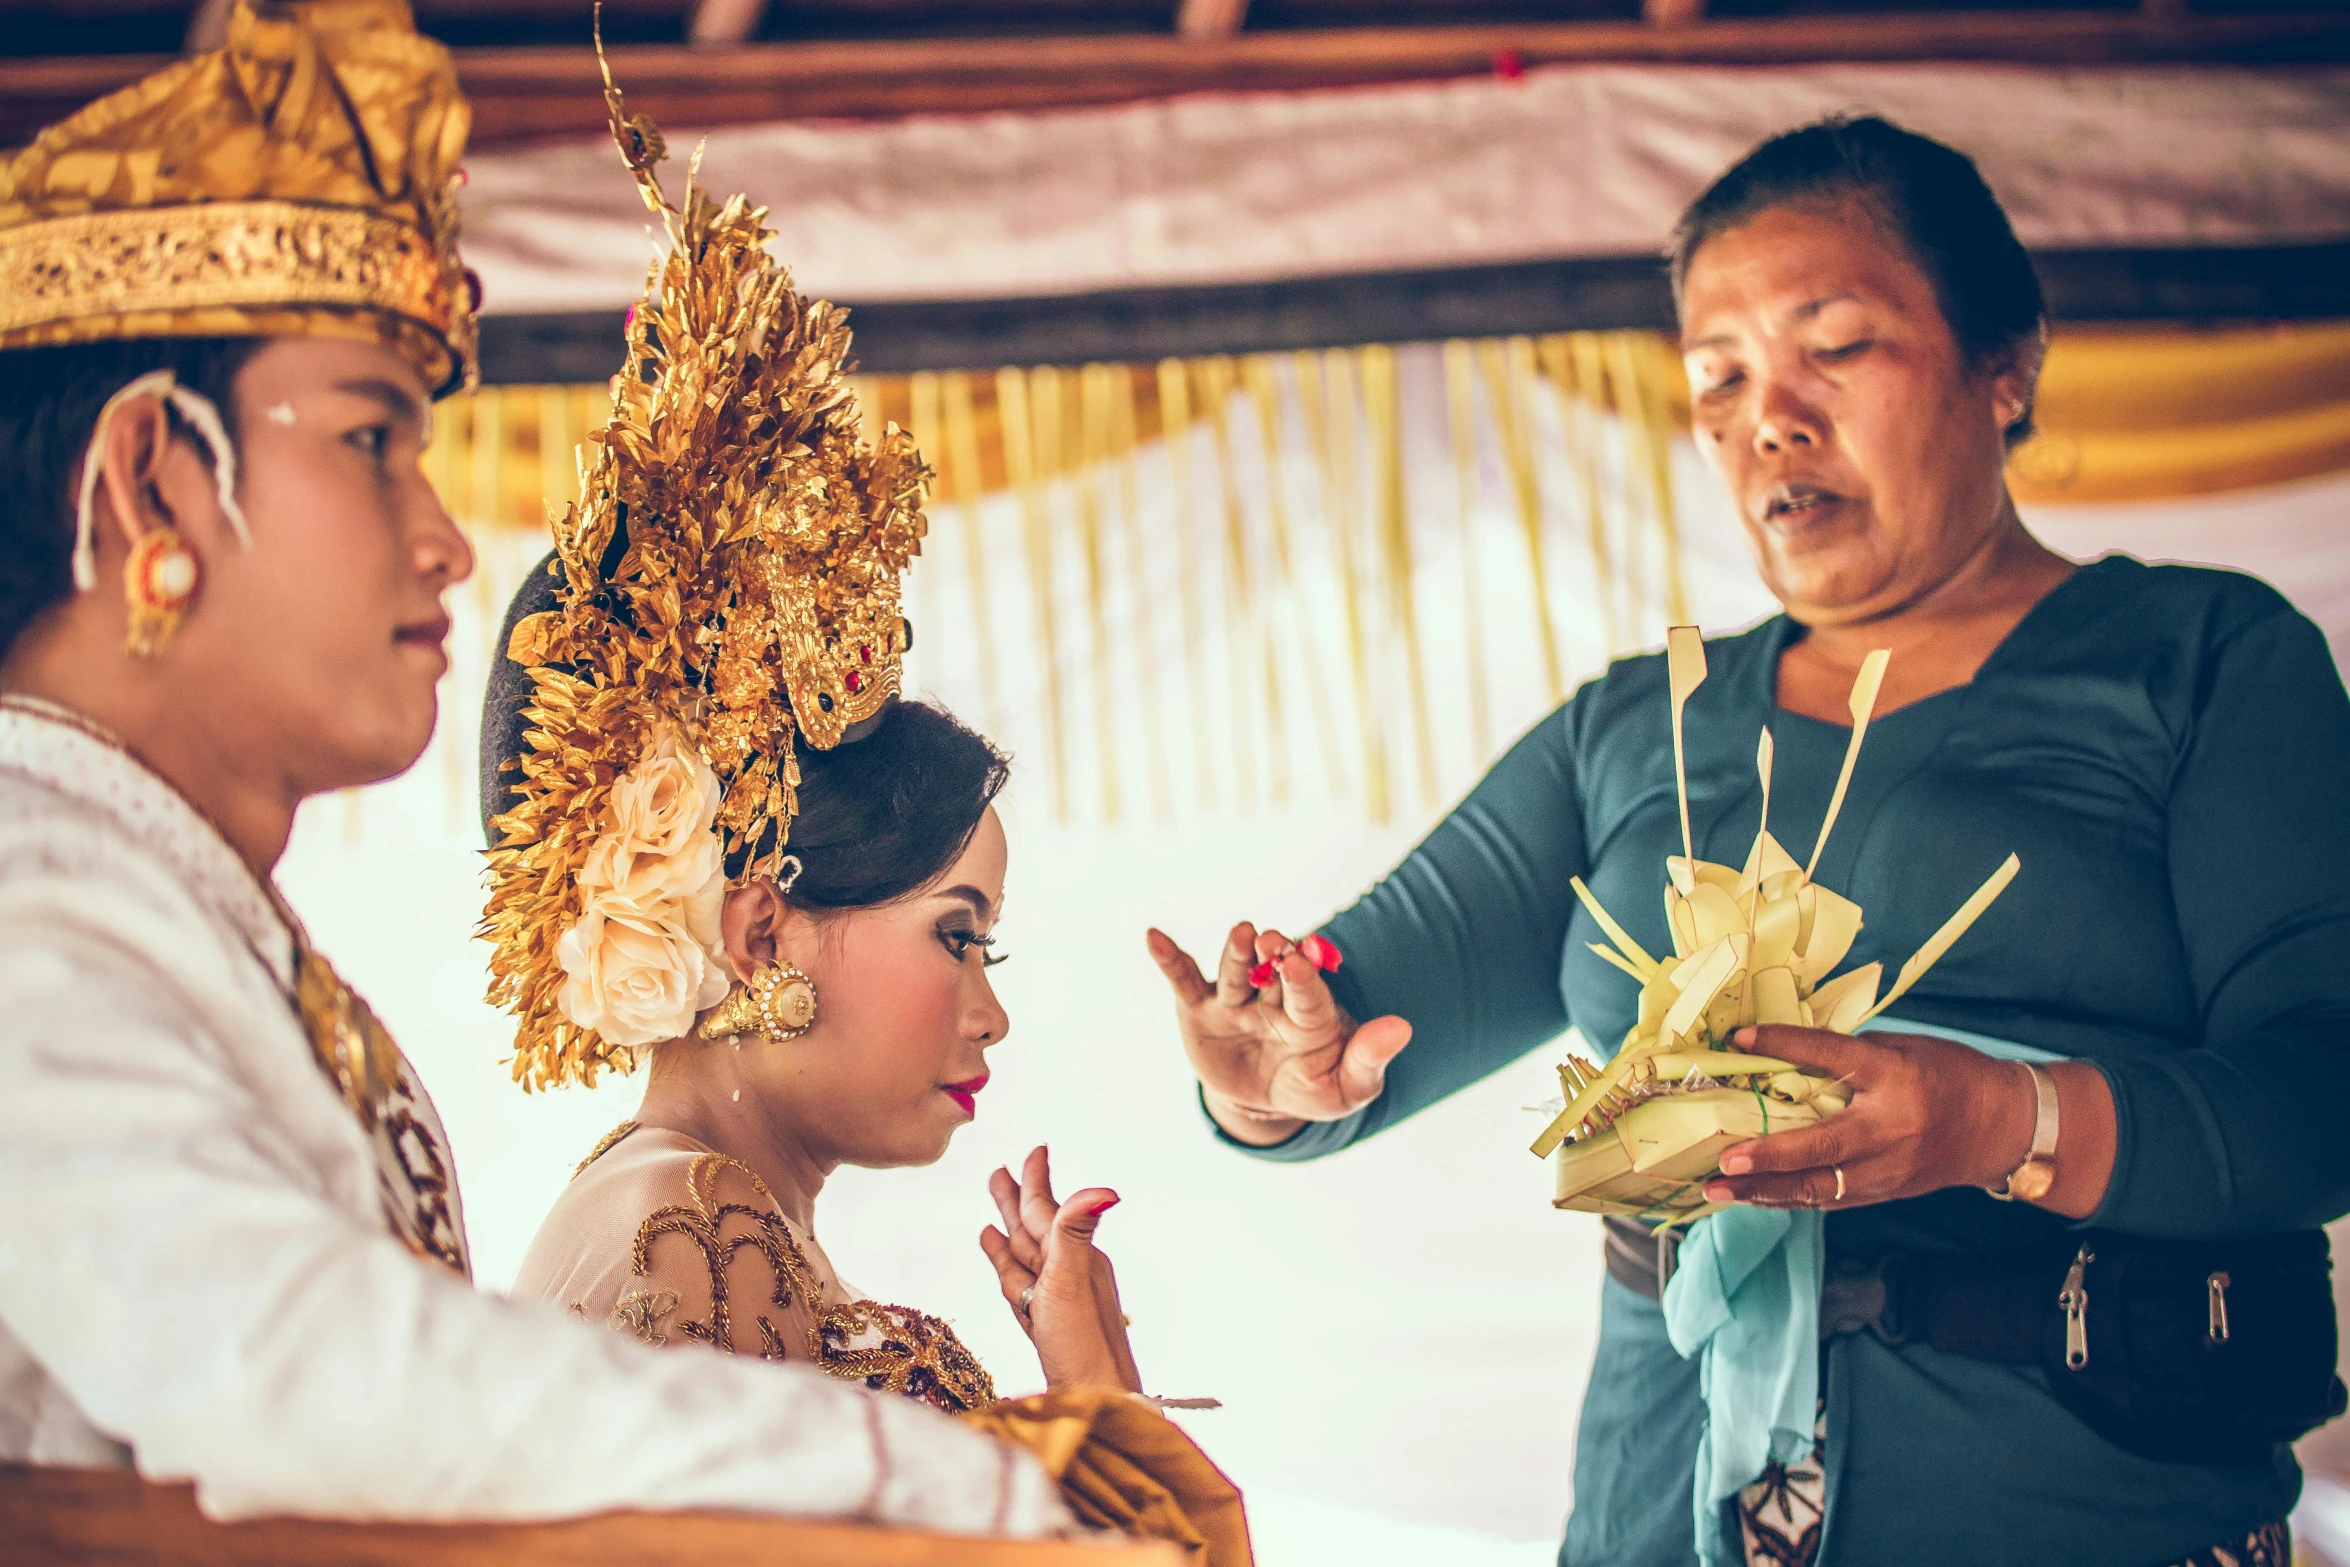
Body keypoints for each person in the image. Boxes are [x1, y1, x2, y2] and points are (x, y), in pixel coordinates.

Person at [1150, 115, 2348, 1567]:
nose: (1762, 416)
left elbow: (2316, 1096)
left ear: (2003, 363)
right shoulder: (1636, 727)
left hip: (2087, 1512)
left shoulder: (2199, 658)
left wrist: (1991, 1120)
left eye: (1830, 347)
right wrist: (1272, 1070)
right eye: (1715, 377)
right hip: (1661, 1511)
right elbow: (1352, 1015)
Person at [0, 0, 1084, 1537]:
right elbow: (288, 1369)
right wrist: (979, 1489)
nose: (444, 537)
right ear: (148, 475)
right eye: (372, 439)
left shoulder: (166, 913)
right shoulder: (28, 893)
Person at [474, 50, 1247, 1564]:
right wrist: (1093, 1398)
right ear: (763, 919)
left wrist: (1082, 1384)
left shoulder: (686, 1210)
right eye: (959, 934)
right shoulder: (693, 1228)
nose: (989, 1013)